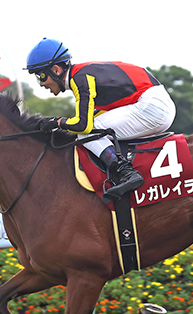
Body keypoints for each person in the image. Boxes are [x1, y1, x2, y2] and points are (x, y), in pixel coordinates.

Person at [24, 38, 176, 200]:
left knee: (86, 134)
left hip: (152, 107)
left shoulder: (80, 79)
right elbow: (93, 116)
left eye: (40, 76)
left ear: (56, 70)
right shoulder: (82, 74)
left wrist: (57, 122)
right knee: (93, 128)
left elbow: (83, 125)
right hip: (154, 105)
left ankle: (127, 173)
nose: (41, 84)